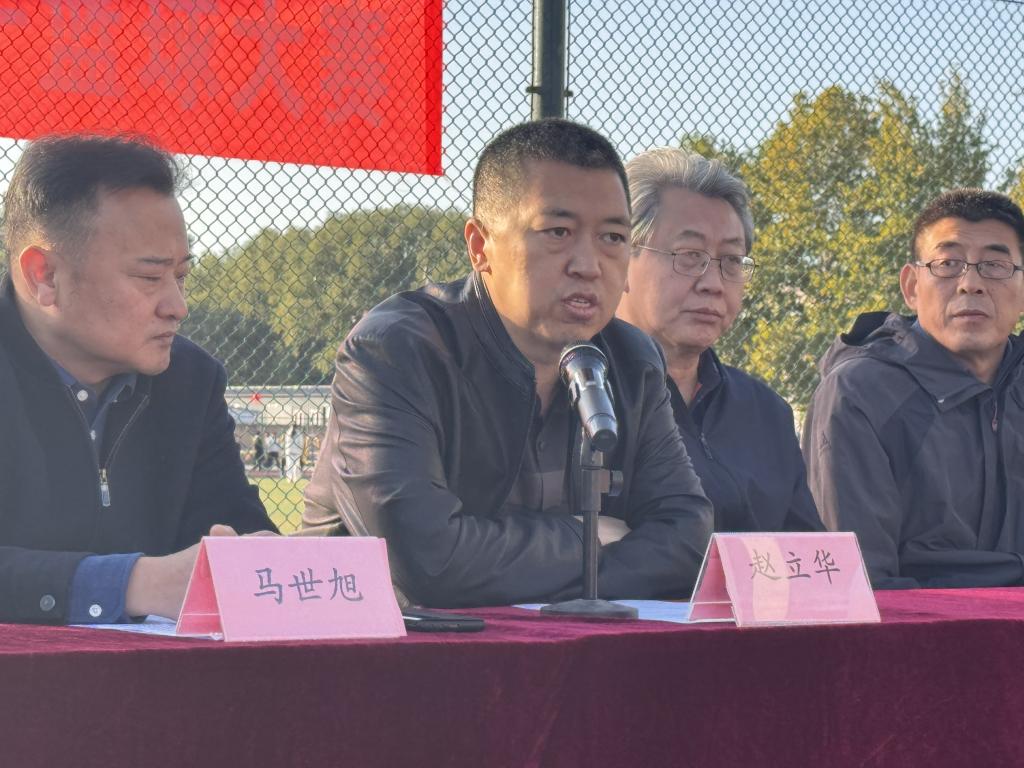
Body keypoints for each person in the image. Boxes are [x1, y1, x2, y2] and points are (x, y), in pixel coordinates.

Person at [304, 119, 713, 608]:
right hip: (376, 640)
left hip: (556, 644)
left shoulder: (631, 359)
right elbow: (425, 560)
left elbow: (687, 539)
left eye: (612, 237)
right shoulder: (397, 350)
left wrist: (499, 556)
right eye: (558, 232)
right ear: (480, 247)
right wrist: (586, 537)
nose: (588, 265)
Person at [0, 134, 275, 624]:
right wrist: (135, 583)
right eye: (150, 278)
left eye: (182, 276)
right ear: (45, 275)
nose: (177, 307)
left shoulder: (191, 382)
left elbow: (236, 531)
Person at [803, 188, 1024, 588]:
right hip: (920, 622)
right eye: (948, 264)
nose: (971, 283)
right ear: (911, 286)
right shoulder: (860, 393)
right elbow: (858, 583)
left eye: (995, 265)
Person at [616, 148, 822, 534]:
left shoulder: (766, 413)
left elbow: (807, 554)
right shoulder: (576, 395)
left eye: (731, 261)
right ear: (621, 261)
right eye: (689, 255)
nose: (712, 283)